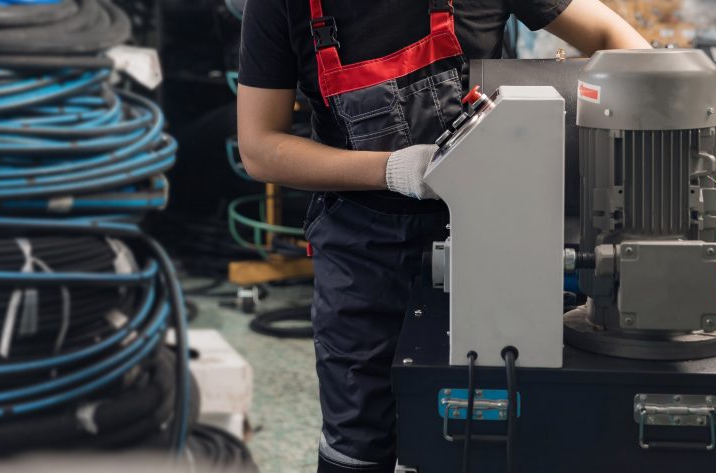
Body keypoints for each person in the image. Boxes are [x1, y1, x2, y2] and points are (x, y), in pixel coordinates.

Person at [236, 1, 650, 471]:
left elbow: (621, 43)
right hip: (362, 248)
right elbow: (260, 147)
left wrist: (667, 152)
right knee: (358, 437)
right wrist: (392, 170)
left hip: (490, 234)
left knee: (494, 418)